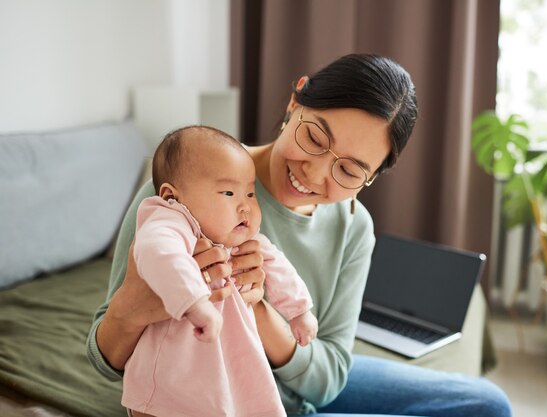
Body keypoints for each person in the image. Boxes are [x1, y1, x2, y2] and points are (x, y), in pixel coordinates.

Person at [88, 53, 512, 417]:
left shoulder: (353, 227)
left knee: (487, 404)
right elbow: (104, 359)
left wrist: (257, 309)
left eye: (348, 171)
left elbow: (328, 376)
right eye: (314, 137)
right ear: (296, 100)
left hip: (296, 386)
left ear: (372, 179)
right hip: (222, 397)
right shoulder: (188, 187)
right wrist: (138, 306)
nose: (314, 173)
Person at [123, 127, 317, 417]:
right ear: (172, 196)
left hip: (229, 367)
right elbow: (160, 254)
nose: (246, 207)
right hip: (172, 376)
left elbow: (279, 267)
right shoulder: (171, 223)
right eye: (228, 192)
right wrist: (194, 303)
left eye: (250, 193)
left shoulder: (243, 244)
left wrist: (300, 312)